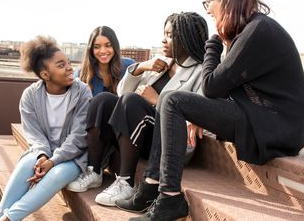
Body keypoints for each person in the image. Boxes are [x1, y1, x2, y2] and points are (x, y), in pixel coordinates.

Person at [131, 0, 304, 221]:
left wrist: (213, 45)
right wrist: (201, 113)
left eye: (209, 2)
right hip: (262, 117)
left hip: (277, 125)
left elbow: (211, 86)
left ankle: (169, 197)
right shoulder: (250, 30)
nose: (208, 10)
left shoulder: (257, 31)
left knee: (172, 99)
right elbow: (223, 88)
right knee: (169, 99)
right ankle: (152, 185)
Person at [66, 12, 208, 208]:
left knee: (132, 102)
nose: (163, 40)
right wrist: (139, 68)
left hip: (171, 143)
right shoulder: (162, 63)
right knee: (103, 100)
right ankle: (94, 170)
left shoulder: (201, 71)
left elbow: (198, 119)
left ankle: (126, 182)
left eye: (169, 35)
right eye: (164, 33)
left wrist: (157, 101)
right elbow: (121, 92)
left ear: (186, 38)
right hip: (141, 133)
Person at [0, 36, 92, 221]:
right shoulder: (30, 95)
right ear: (45, 75)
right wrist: (42, 156)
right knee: (25, 165)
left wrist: (53, 161)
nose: (70, 68)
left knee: (57, 175)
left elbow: (79, 137)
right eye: (61, 65)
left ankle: (7, 219)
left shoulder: (82, 91)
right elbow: (35, 135)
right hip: (42, 152)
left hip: (73, 157)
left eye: (68, 62)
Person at [76, 26, 135, 96]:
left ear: (115, 46)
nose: (103, 51)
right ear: (91, 49)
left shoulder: (128, 66)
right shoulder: (81, 73)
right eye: (96, 47)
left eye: (108, 45)